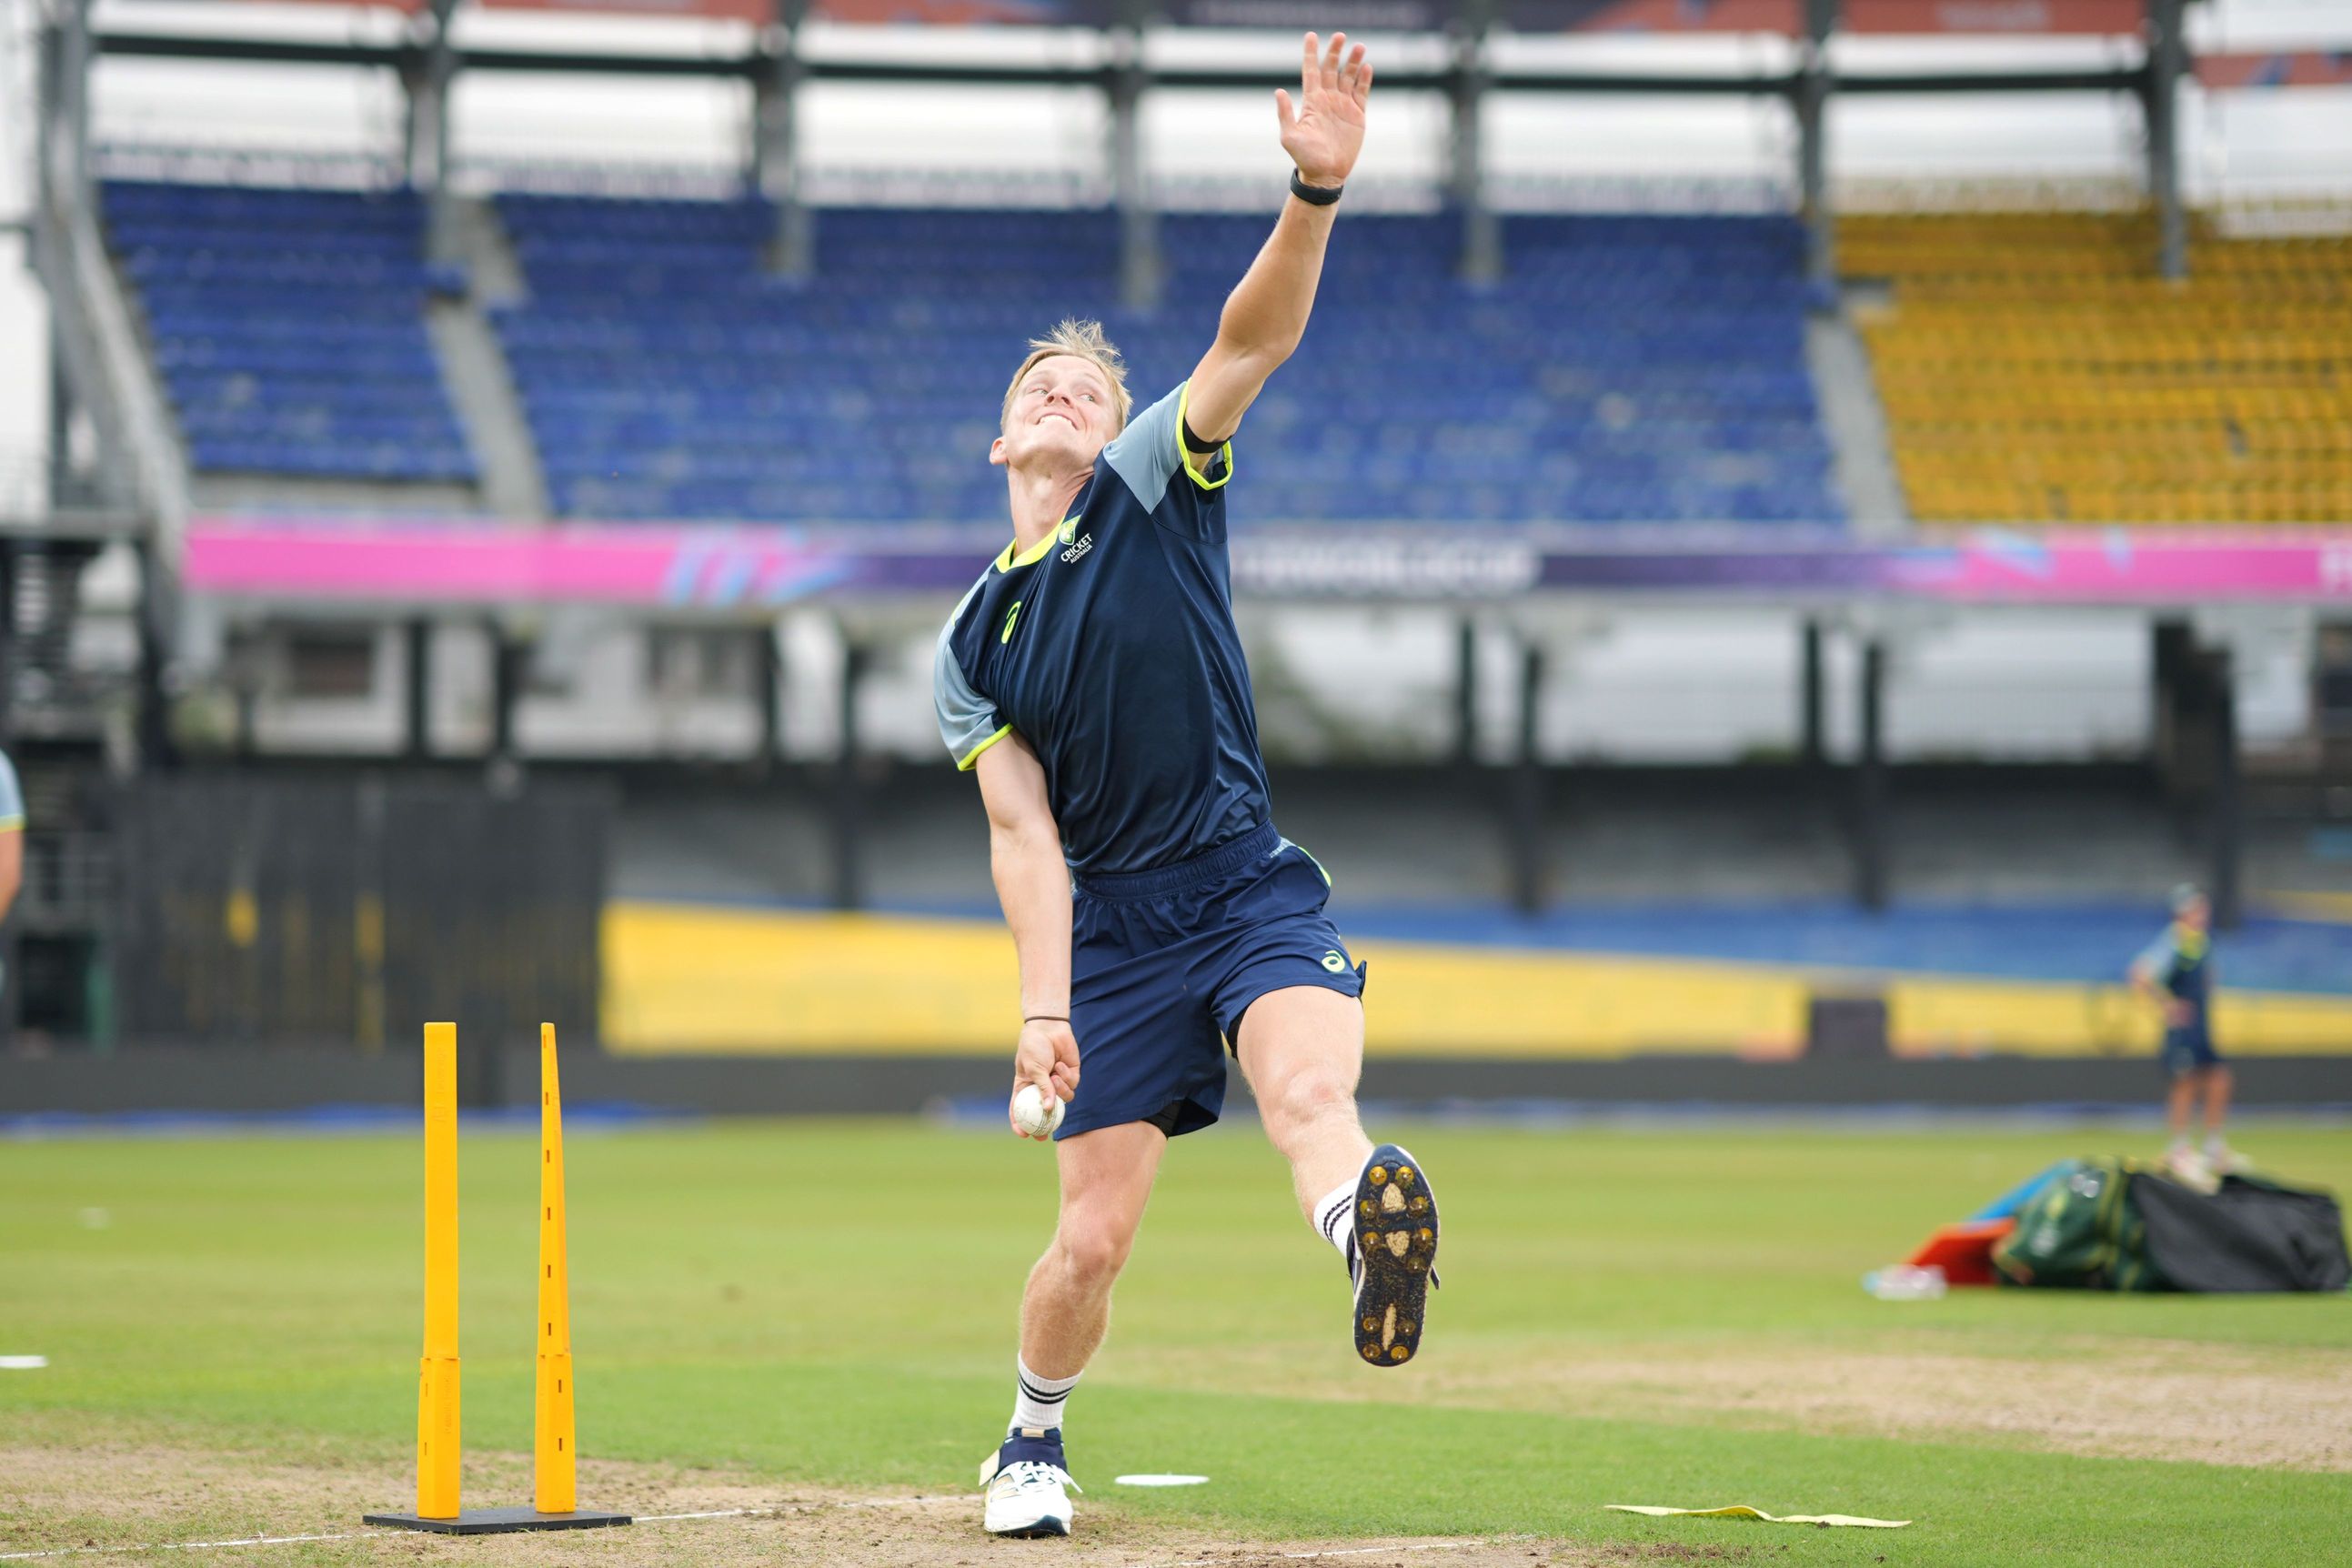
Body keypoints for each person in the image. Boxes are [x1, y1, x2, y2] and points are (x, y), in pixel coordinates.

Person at [930, 33, 1436, 1542]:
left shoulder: (1153, 477)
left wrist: (1313, 192)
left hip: (1244, 878)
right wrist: (1044, 1007)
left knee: (1309, 1092)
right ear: (1005, 436)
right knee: (1091, 1239)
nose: (1076, 394)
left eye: (1095, 384)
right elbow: (1023, 838)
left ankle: (1369, 1232)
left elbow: (1247, 341)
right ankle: (1030, 1438)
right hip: (1114, 936)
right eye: (1048, 384)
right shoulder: (971, 638)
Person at [2130, 884, 2240, 1180]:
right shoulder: (2174, 940)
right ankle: (2179, 1148)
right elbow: (2140, 974)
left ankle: (2213, 1146)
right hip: (2184, 1028)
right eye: (2197, 909)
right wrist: (2168, 1006)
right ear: (2183, 912)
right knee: (2185, 1083)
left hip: (2202, 1025)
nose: (2202, 914)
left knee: (2218, 1078)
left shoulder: (2201, 942)